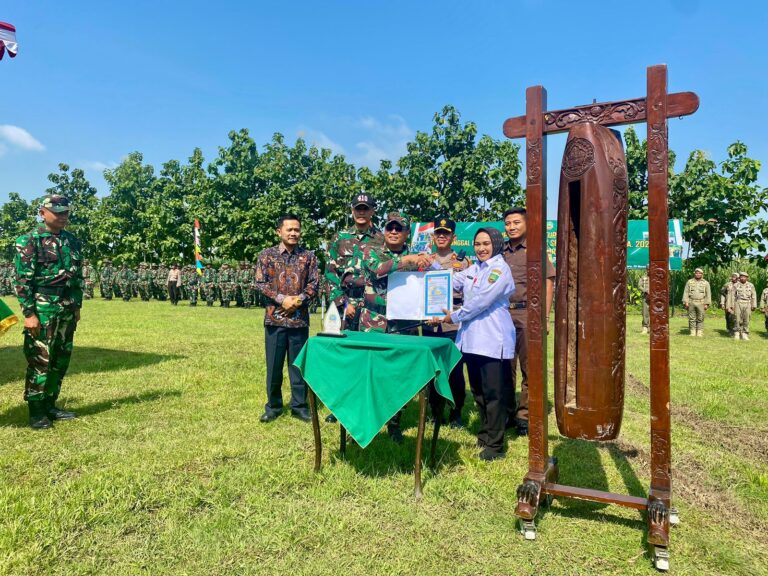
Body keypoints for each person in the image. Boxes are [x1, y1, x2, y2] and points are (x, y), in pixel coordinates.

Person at [429, 227, 515, 461]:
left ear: (496, 244)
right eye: (478, 244)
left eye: (486, 243)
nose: (481, 248)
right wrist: (428, 264)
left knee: (494, 394)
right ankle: (485, 435)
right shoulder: (474, 268)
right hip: (471, 341)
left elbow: (481, 301)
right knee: (478, 392)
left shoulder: (499, 269)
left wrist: (452, 316)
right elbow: (447, 280)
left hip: (492, 338)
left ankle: (495, 446)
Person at [348, 211, 432, 443]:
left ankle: (394, 423)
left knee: (399, 375)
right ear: (384, 231)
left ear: (406, 233)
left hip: (403, 326)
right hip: (374, 323)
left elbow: (428, 287)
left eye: (399, 228)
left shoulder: (418, 258)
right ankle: (364, 423)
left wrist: (434, 308)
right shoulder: (371, 251)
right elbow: (377, 269)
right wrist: (406, 261)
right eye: (390, 228)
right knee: (370, 374)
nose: (393, 232)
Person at [13, 194, 82, 429]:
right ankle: (36, 411)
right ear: (42, 213)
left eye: (66, 212)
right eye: (58, 212)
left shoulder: (72, 241)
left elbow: (77, 277)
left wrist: (77, 306)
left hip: (67, 307)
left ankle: (51, 404)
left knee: (61, 358)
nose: (63, 216)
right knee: (40, 359)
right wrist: (29, 314)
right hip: (43, 306)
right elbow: (22, 281)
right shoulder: (29, 241)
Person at [322, 191, 384, 423]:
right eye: (357, 208)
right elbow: (329, 274)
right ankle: (339, 406)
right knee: (344, 355)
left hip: (373, 307)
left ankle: (369, 402)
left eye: (365, 208)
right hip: (346, 305)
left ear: (372, 211)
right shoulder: (340, 238)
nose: (361, 212)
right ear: (352, 210)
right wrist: (342, 302)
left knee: (370, 354)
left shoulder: (381, 238)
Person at [254, 214, 319, 423]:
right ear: (279, 231)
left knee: (298, 366)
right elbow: (260, 284)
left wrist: (298, 300)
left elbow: (314, 284)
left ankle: (299, 406)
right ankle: (273, 406)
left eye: (297, 229)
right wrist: (282, 300)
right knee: (273, 366)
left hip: (299, 320)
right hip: (275, 320)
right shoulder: (266, 256)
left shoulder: (309, 257)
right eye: (289, 229)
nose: (293, 233)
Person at [501, 208, 555, 436]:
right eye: (507, 223)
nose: (511, 227)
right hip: (502, 315)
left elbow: (548, 282)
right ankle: (506, 412)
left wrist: (544, 317)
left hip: (527, 314)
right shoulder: (499, 251)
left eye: (516, 222)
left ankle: (525, 416)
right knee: (504, 366)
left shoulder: (536, 250)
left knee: (530, 367)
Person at [421, 216, 471, 428]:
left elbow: (467, 292)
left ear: (454, 237)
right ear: (433, 236)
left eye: (446, 233)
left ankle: (456, 411)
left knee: (454, 371)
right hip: (430, 324)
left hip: (452, 325)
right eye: (438, 233)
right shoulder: (424, 261)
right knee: (432, 370)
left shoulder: (463, 262)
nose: (442, 236)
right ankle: (435, 410)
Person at [727, 271, 757, 340]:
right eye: (741, 277)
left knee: (746, 318)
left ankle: (745, 333)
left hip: (747, 303)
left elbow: (754, 296)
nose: (743, 278)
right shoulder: (736, 285)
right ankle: (737, 333)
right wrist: (731, 306)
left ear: (747, 278)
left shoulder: (751, 285)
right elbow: (732, 296)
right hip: (738, 303)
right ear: (739, 278)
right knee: (737, 319)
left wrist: (754, 305)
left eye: (744, 277)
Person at [682, 268, 711, 337]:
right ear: (694, 273)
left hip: (701, 302)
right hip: (691, 302)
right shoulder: (689, 282)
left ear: (702, 274)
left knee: (700, 317)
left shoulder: (705, 283)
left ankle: (699, 331)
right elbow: (685, 292)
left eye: (699, 273)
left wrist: (707, 304)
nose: (698, 274)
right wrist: (686, 302)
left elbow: (708, 294)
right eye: (696, 273)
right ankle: (692, 331)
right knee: (692, 317)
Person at [638, 265, 650, 334]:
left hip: (654, 297)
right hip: (646, 297)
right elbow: (639, 286)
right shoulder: (643, 277)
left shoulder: (655, 277)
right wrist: (645, 290)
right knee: (645, 313)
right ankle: (645, 327)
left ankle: (653, 328)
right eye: (648, 269)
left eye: (650, 269)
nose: (649, 270)